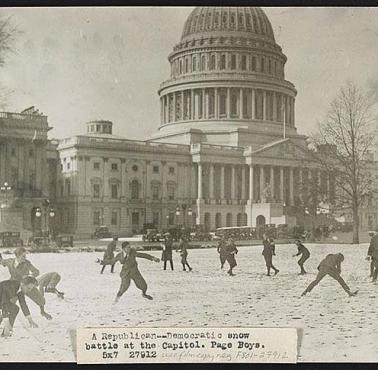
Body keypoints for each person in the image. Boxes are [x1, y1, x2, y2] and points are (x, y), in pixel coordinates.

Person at [0, 247, 52, 320]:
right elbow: (2, 262)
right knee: (10, 304)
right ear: (17, 256)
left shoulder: (27, 263)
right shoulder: (9, 261)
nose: (25, 257)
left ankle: (42, 312)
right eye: (23, 256)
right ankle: (2, 319)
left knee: (41, 301)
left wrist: (28, 276)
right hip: (14, 286)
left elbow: (36, 271)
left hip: (27, 284)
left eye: (25, 256)